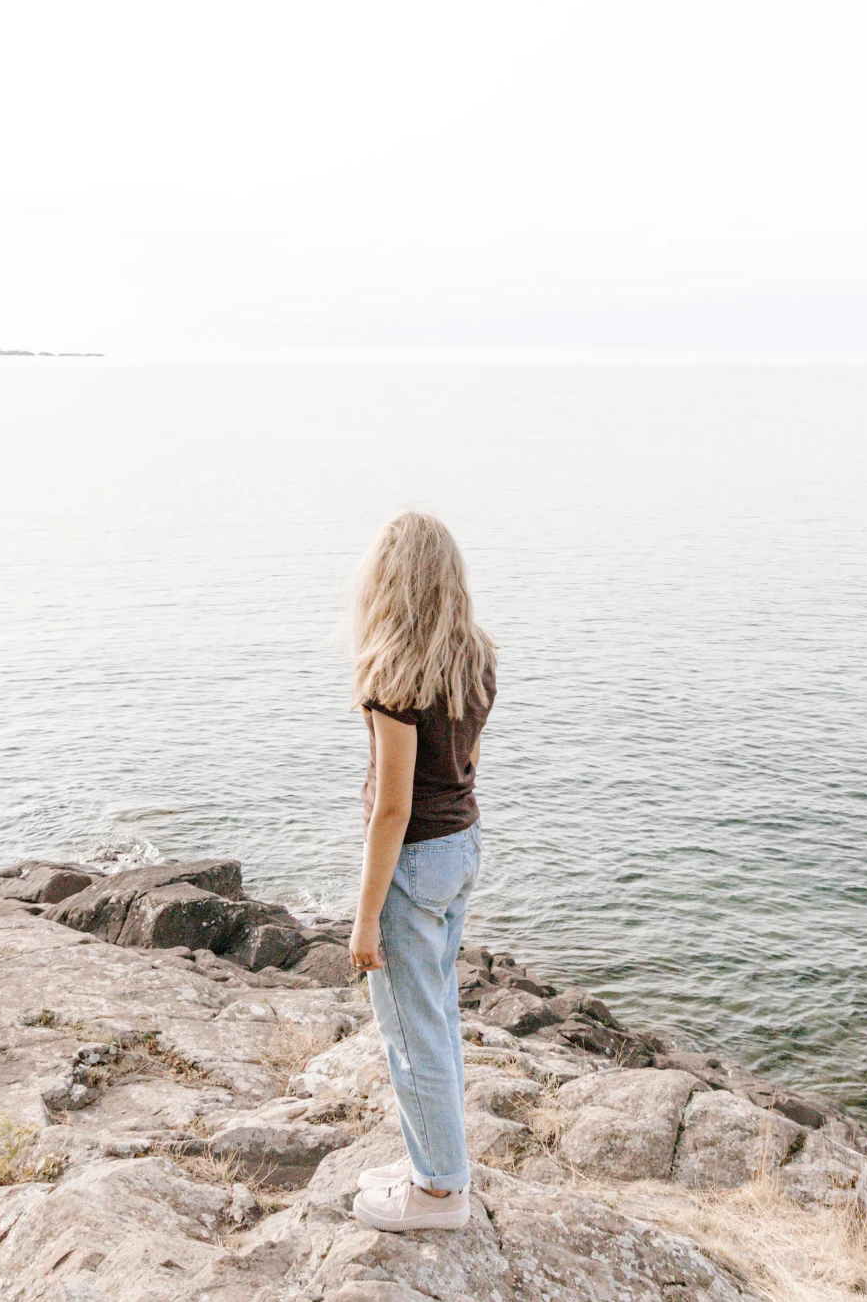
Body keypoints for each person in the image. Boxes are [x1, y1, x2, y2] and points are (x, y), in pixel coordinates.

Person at [345, 510, 496, 1233]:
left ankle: (440, 1192)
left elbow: (393, 808)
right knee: (437, 1015)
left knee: (412, 1032)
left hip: (414, 861)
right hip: (462, 847)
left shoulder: (394, 676)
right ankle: (436, 1164)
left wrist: (367, 912)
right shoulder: (474, 658)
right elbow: (454, 768)